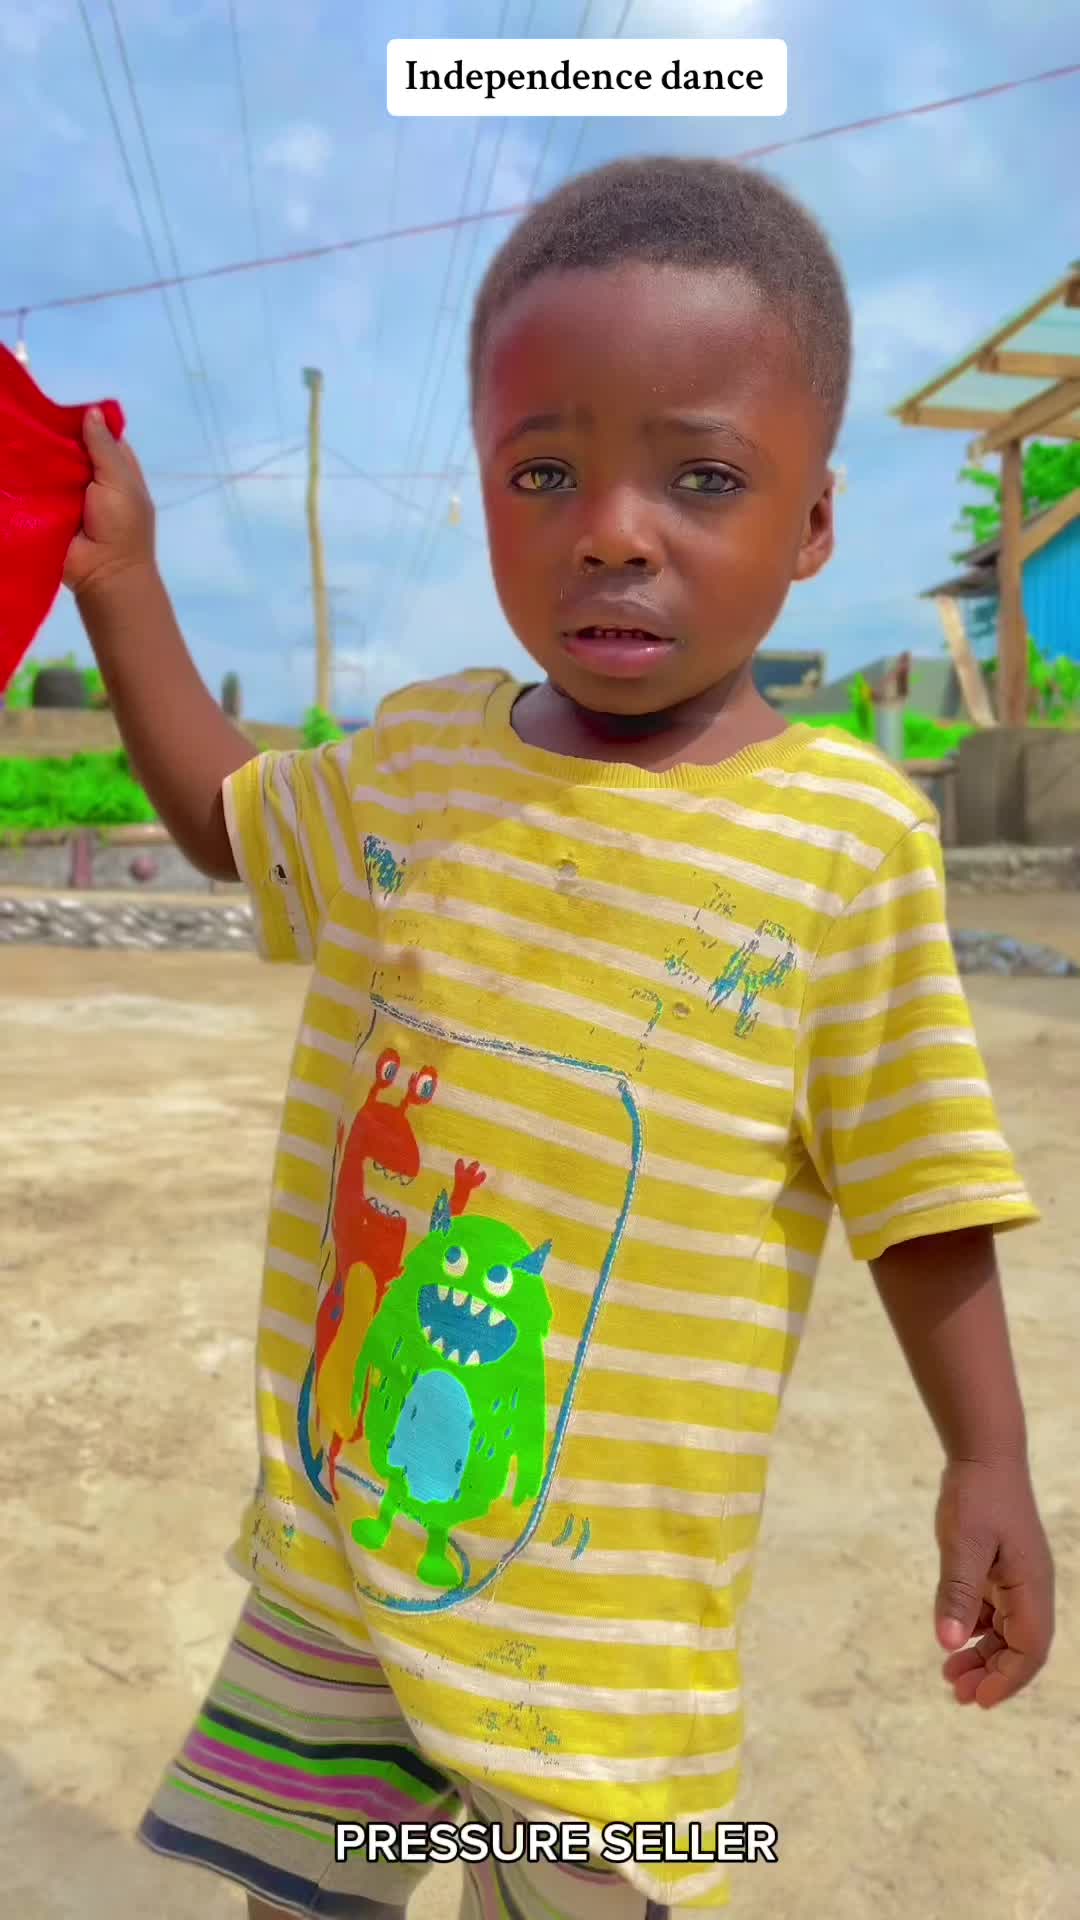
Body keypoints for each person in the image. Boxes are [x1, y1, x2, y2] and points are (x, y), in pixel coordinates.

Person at [64, 156, 1053, 1920]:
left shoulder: (844, 846)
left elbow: (918, 1189)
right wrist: (125, 578)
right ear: (488, 493)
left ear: (813, 524)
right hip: (340, 1561)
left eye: (702, 477)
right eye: (545, 473)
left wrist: (989, 1459)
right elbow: (227, 823)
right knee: (301, 1896)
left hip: (608, 1634)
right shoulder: (418, 764)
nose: (612, 529)